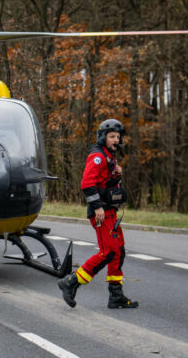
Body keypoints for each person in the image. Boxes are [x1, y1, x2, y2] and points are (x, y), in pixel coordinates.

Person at [57, 119, 138, 309]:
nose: (116, 140)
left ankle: (115, 295)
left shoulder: (110, 158)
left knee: (118, 251)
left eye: (118, 137)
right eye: (112, 136)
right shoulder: (98, 157)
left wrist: (117, 174)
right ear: (103, 137)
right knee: (108, 252)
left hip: (110, 212)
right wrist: (98, 207)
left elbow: (106, 183)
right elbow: (87, 184)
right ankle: (70, 282)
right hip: (101, 213)